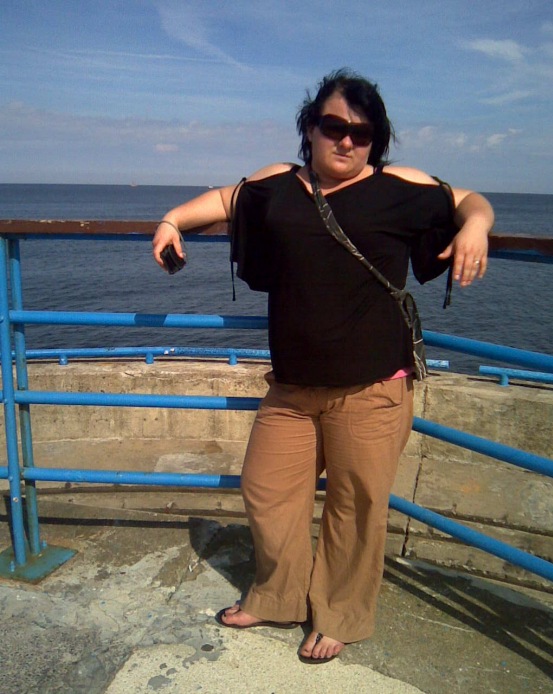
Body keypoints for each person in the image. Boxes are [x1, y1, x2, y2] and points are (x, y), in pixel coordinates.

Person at [152, 69, 494, 664]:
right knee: (267, 490)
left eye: (363, 133)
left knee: (355, 507)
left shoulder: (399, 187)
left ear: (375, 141)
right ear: (310, 127)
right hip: (291, 388)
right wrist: (170, 221)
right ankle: (279, 596)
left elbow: (468, 200)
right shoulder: (279, 184)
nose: (347, 140)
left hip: (373, 387)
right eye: (334, 126)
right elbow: (225, 200)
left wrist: (478, 228)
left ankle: (340, 614)